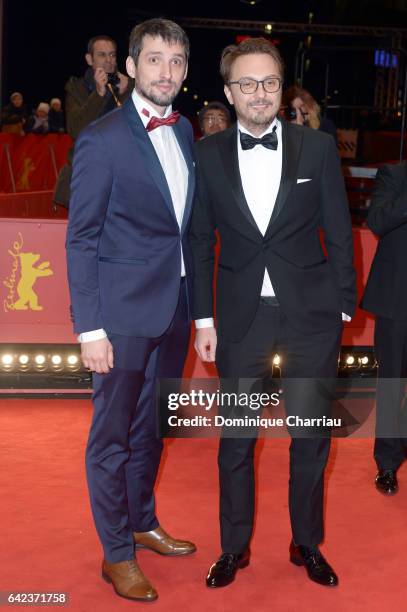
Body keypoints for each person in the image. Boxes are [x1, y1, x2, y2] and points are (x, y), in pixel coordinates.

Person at [190, 37, 356, 589]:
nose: (258, 93)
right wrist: (203, 320)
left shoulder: (317, 148)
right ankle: (233, 547)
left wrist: (343, 303)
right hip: (239, 320)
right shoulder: (207, 153)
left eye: (268, 82)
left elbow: (338, 229)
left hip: (311, 317)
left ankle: (306, 542)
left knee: (310, 438)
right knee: (236, 441)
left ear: (281, 89)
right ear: (229, 92)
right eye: (246, 83)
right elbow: (198, 239)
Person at [66, 18, 196, 602]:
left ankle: (142, 522)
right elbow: (82, 238)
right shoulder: (101, 138)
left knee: (150, 431)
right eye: (154, 60)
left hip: (173, 312)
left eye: (175, 61)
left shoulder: (187, 130)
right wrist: (90, 328)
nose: (165, 71)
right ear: (132, 67)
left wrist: (200, 314)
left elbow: (180, 230)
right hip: (117, 319)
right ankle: (115, 552)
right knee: (112, 437)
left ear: (185, 71)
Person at [361, 162, 407, 495]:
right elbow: (376, 222)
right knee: (393, 382)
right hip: (397, 299)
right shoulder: (395, 175)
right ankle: (388, 462)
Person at [53, 34, 133, 207]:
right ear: (90, 59)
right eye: (102, 55)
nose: (108, 60)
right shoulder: (76, 88)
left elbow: (137, 128)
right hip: (85, 180)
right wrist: (99, 94)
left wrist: (126, 93)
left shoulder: (129, 87)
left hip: (120, 181)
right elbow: (76, 130)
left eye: (112, 54)